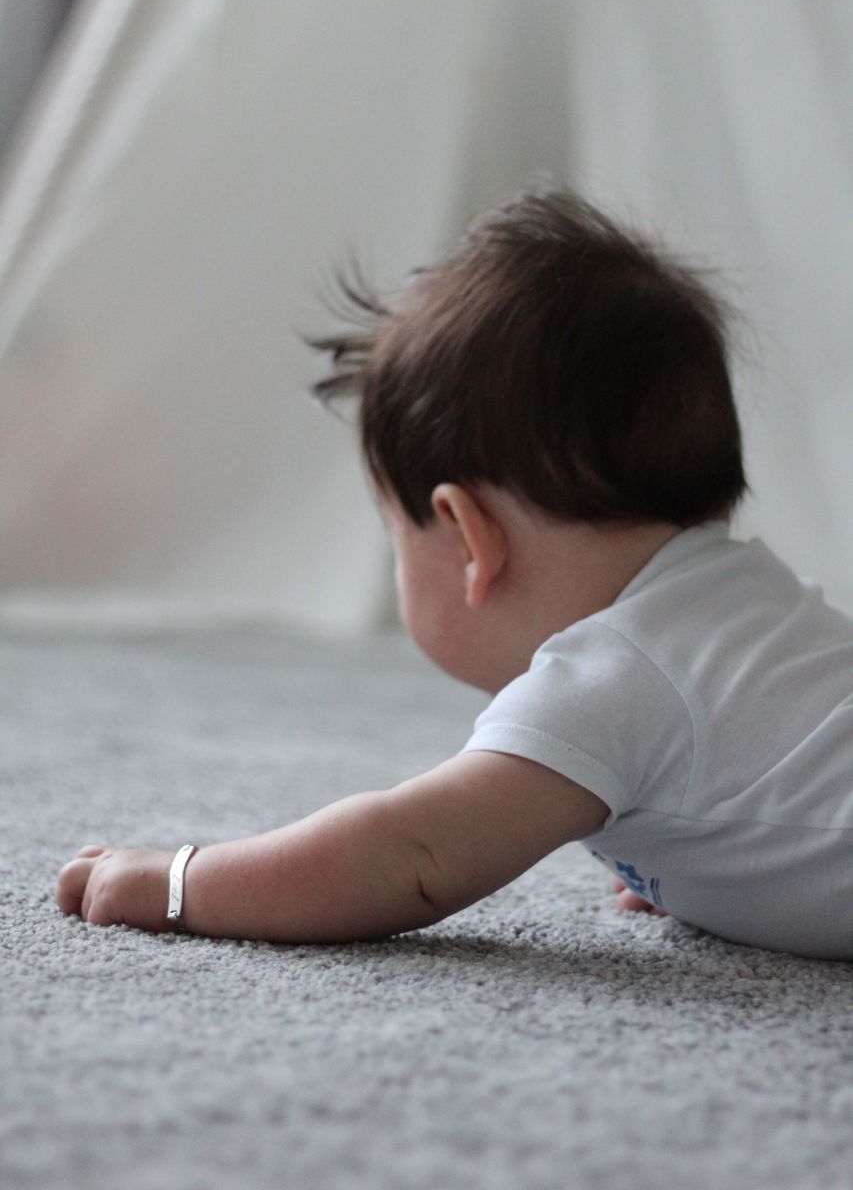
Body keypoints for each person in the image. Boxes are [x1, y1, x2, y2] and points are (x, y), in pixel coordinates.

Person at [55, 187, 853, 959]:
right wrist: (704, 864)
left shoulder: (607, 672)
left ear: (467, 538)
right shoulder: (752, 603)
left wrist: (177, 884)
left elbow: (406, 857)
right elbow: (778, 796)